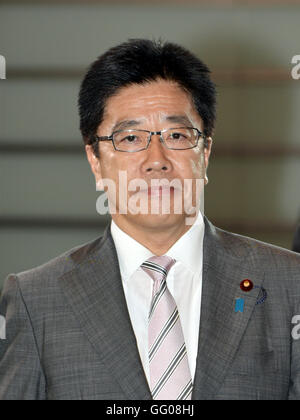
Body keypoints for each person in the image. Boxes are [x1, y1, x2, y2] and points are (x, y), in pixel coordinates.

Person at [0, 39, 300, 401]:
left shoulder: (289, 285)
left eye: (176, 135)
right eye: (130, 138)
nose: (155, 160)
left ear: (205, 153)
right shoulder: (36, 299)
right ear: (96, 161)